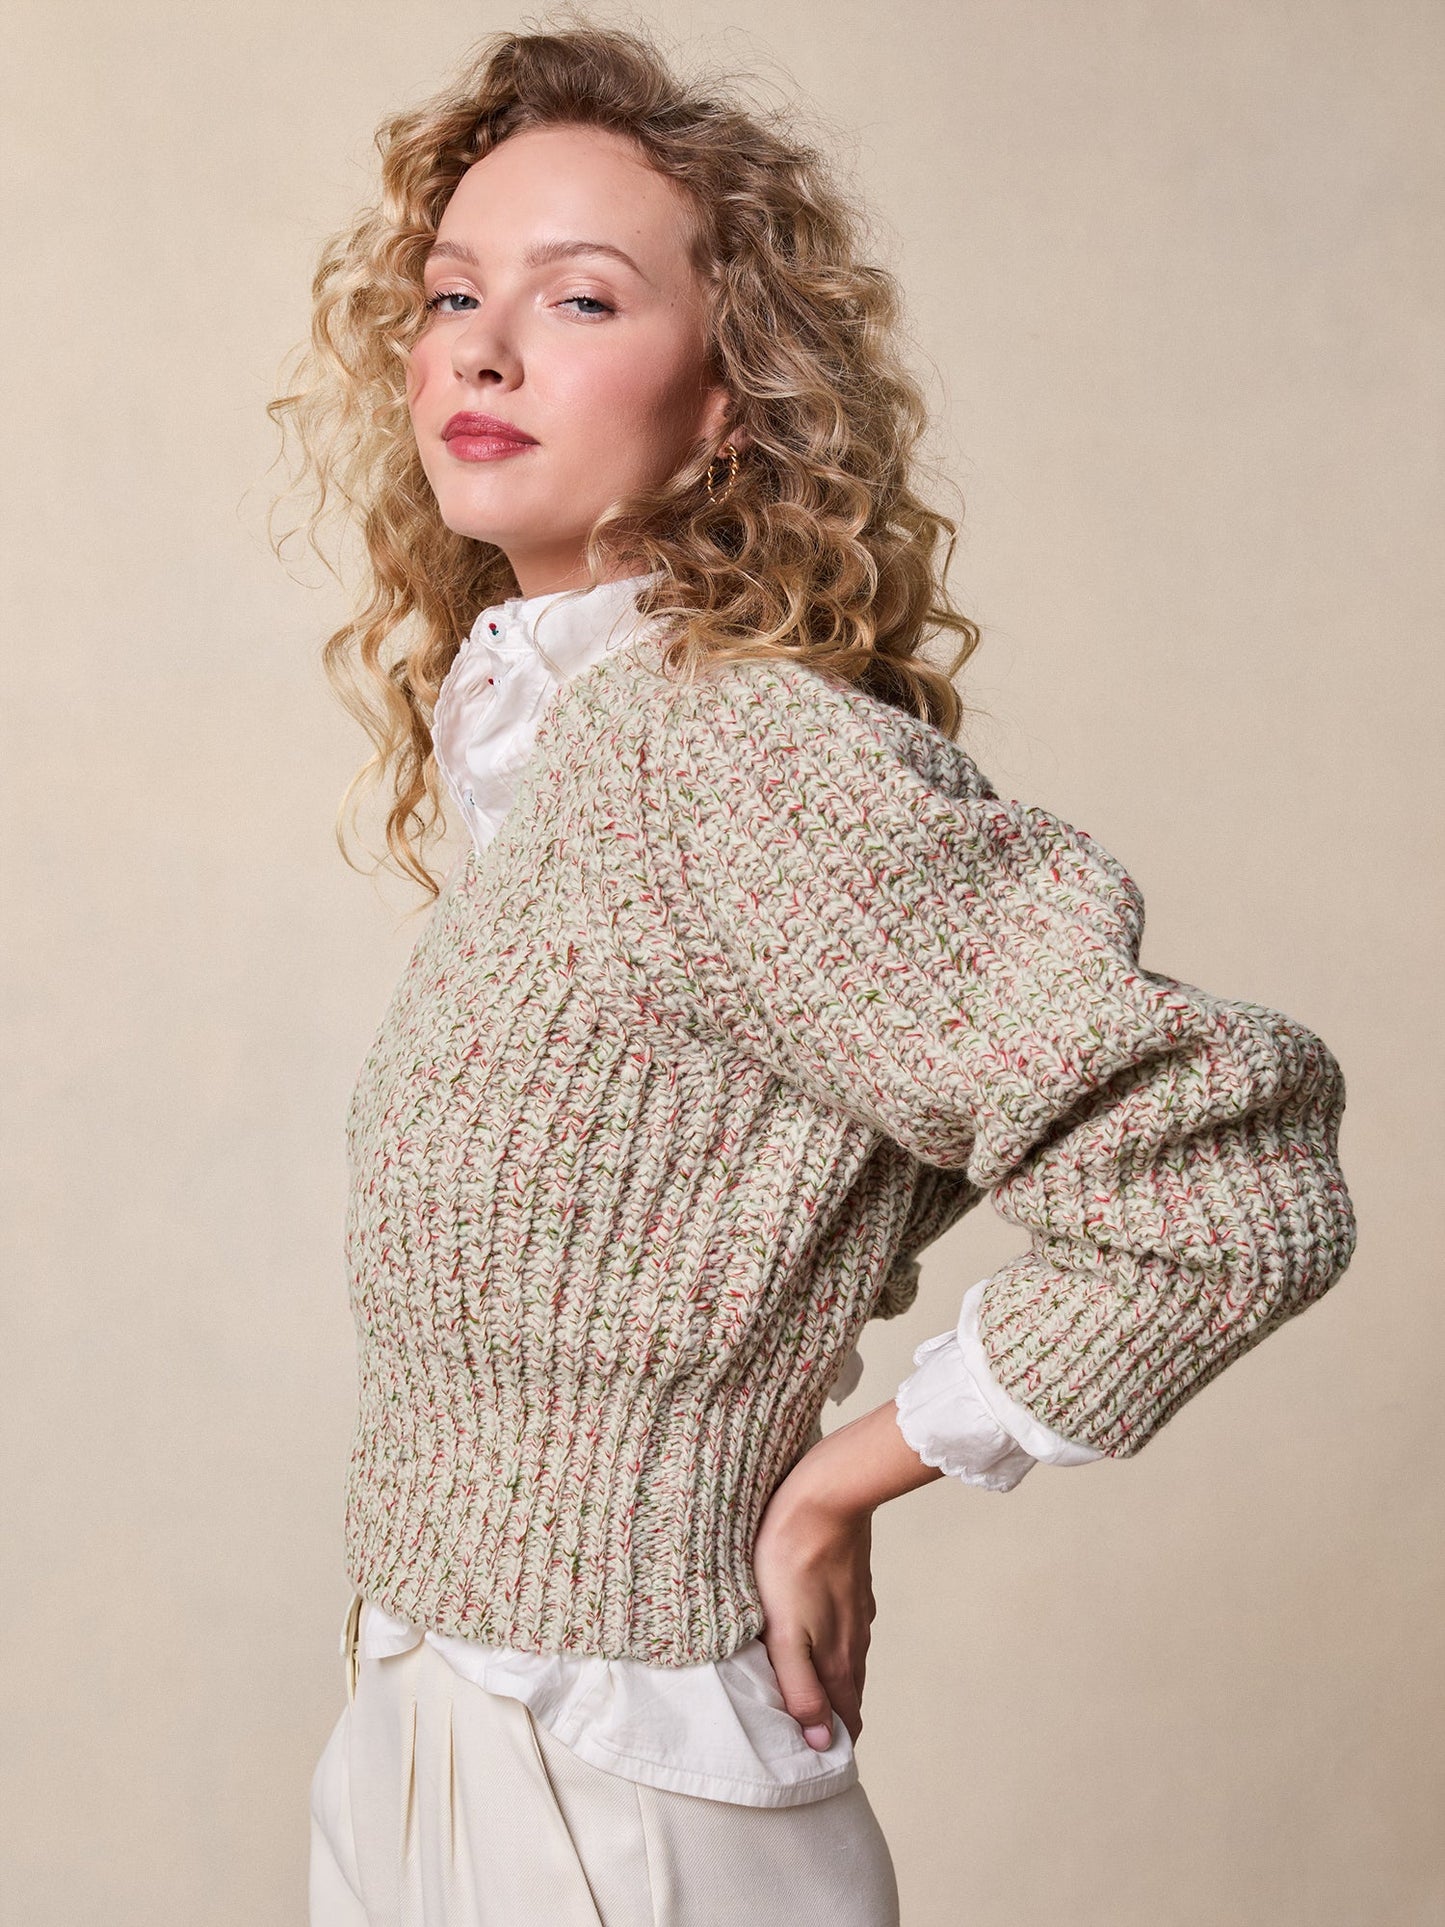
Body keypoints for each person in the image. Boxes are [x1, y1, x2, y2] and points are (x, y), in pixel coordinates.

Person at [267, 23, 1358, 1927]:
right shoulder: (561, 754)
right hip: (427, 1717)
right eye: (450, 294)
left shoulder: (732, 759)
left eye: (579, 298)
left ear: (727, 406)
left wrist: (847, 1476)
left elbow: (1225, 1180)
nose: (481, 350)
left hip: (611, 1781)